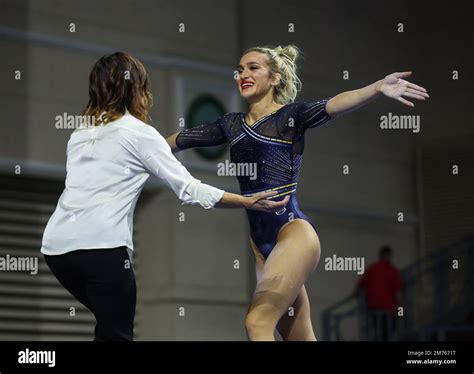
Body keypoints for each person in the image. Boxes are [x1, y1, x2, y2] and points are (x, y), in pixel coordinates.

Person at [166, 45, 428, 341]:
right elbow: (180, 140)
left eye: (253, 68)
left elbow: (335, 104)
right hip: (262, 247)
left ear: (275, 78)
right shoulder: (231, 125)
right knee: (300, 337)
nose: (243, 74)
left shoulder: (290, 117)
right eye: (239, 69)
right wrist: (142, 149)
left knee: (257, 323)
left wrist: (377, 88)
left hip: (293, 234)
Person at [40, 52, 288, 342]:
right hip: (102, 250)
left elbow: (108, 169)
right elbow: (189, 188)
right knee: (117, 333)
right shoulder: (140, 134)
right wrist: (246, 201)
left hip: (57, 251)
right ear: (136, 88)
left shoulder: (81, 135)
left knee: (110, 326)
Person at [355, 245, 403, 341]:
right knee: (388, 332)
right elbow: (398, 294)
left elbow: (359, 287)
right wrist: (400, 311)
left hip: (374, 308)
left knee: (379, 331)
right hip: (387, 309)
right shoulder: (392, 271)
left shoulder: (372, 269)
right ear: (388, 255)